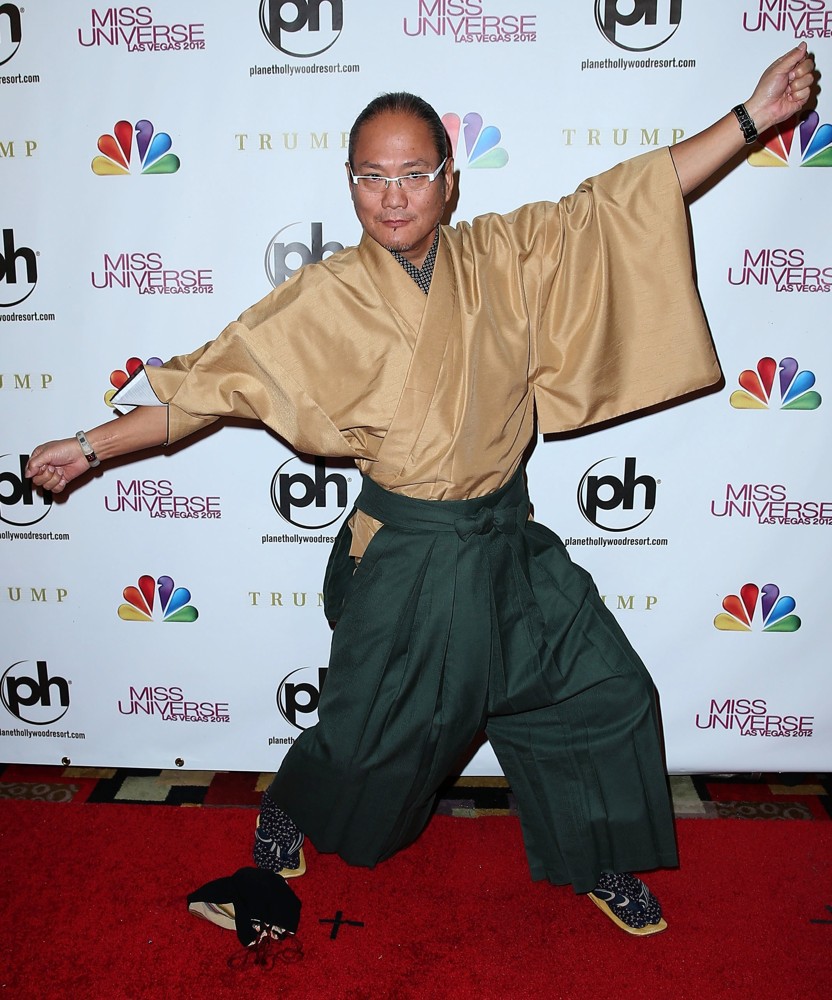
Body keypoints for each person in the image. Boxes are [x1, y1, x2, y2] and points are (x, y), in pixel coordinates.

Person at [27, 45, 816, 938]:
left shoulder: (507, 254)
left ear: (449, 179)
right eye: (371, 177)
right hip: (408, 557)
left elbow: (624, 200)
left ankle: (597, 851)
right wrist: (91, 446)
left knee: (601, 688)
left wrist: (751, 120)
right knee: (371, 741)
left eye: (412, 174)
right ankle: (288, 811)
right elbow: (211, 388)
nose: (392, 196)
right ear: (350, 184)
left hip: (508, 541)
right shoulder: (326, 298)